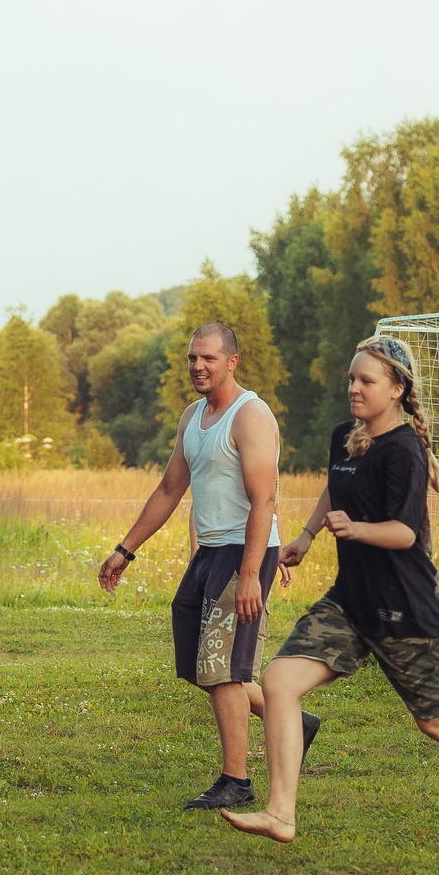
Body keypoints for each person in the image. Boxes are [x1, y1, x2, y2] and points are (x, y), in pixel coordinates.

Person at [221, 336, 439, 856]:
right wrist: (307, 534)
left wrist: (357, 529)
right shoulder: (346, 435)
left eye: (366, 380)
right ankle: (281, 812)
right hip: (350, 602)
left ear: (396, 388)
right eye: (351, 379)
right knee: (278, 681)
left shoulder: (405, 450)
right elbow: (336, 485)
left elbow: (404, 533)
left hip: (406, 607)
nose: (354, 388)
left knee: (436, 720)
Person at [96, 322, 306, 809]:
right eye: (192, 358)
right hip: (210, 551)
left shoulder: (250, 416)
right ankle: (292, 721)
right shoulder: (193, 416)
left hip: (244, 551)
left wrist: (252, 573)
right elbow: (170, 488)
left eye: (209, 358)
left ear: (232, 361)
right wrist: (125, 550)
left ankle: (237, 780)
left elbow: (263, 499)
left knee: (224, 671)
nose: (198, 366)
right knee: (197, 661)